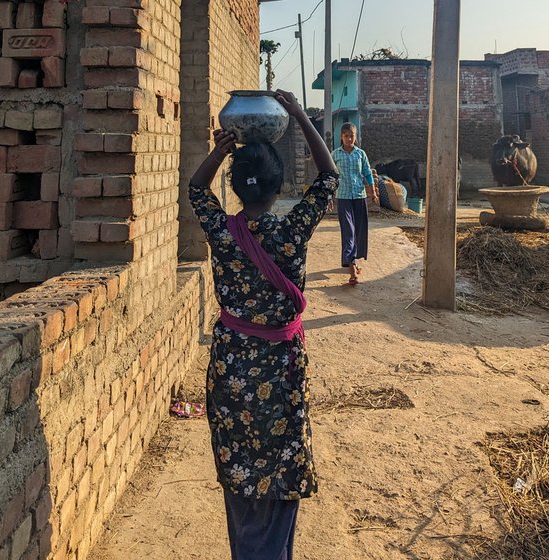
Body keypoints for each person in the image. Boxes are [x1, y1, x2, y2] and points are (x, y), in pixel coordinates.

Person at [188, 89, 338, 560]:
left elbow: (196, 189)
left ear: (236, 188)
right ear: (277, 188)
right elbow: (328, 177)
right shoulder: (293, 232)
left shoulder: (222, 232)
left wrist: (220, 149)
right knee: (279, 479)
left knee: (241, 480)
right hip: (283, 372)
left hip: (231, 371)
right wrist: (298, 115)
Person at [331, 123, 377, 285]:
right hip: (343, 198)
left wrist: (373, 192)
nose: (349, 139)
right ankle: (352, 270)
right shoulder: (335, 155)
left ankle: (354, 260)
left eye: (352, 136)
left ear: (355, 137)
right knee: (349, 232)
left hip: (359, 196)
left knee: (359, 232)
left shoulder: (360, 154)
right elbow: (330, 177)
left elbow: (367, 173)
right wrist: (329, 197)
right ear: (341, 137)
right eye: (346, 136)